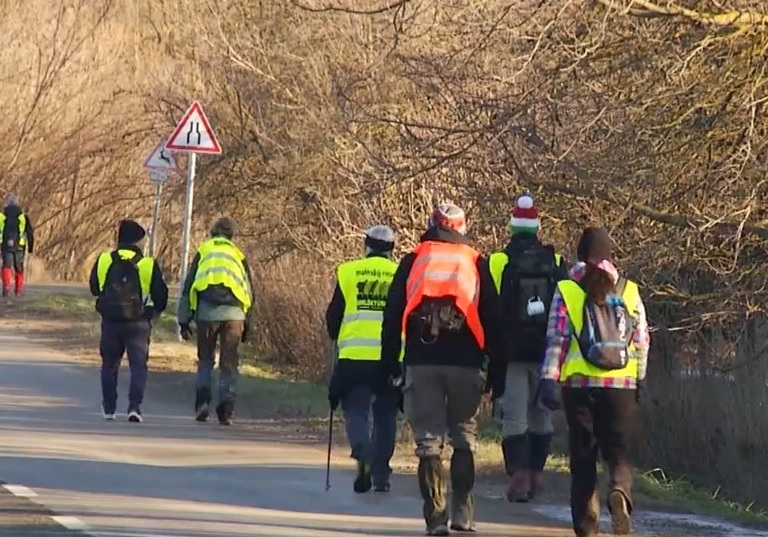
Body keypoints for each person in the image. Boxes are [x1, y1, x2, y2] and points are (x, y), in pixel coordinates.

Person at [381, 203, 506, 536]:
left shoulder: (414, 259)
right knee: (464, 438)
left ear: (431, 224)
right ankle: (463, 514)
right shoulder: (476, 261)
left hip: (422, 363)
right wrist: (497, 372)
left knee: (428, 444)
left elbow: (392, 315)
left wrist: (390, 362)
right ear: (463, 227)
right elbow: (494, 320)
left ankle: (435, 517)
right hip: (466, 364)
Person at [538, 227, 650, 537]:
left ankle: (587, 523)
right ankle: (619, 492)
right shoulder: (629, 290)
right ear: (610, 255)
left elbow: (557, 339)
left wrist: (548, 378)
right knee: (619, 450)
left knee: (583, 455)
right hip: (621, 386)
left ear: (579, 254)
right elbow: (641, 340)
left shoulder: (568, 289)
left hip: (579, 386)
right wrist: (639, 378)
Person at [488, 192, 569, 503]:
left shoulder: (498, 261)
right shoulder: (556, 260)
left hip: (511, 352)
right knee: (541, 415)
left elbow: (491, 310)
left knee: (515, 416)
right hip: (546, 351)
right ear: (537, 228)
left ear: (511, 228)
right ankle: (536, 474)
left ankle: (518, 477)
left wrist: (490, 357)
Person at [325, 224, 401, 493]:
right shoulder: (400, 274)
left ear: (366, 245)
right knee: (386, 413)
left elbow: (334, 315)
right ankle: (381, 474)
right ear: (392, 249)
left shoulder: (349, 271)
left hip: (354, 355)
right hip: (389, 357)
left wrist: (336, 332)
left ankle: (362, 450)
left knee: (355, 409)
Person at [89, 219, 169, 423]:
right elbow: (161, 296)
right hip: (138, 322)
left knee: (109, 365)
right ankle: (134, 407)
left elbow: (95, 288)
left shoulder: (104, 259)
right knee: (138, 366)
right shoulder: (147, 264)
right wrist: (153, 311)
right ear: (139, 241)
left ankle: (109, 408)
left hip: (111, 322)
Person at [177, 217, 255, 426]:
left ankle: (202, 404)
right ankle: (226, 410)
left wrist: (184, 320)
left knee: (205, 360)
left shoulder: (204, 251)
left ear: (212, 233)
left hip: (206, 314)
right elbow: (249, 289)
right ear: (231, 235)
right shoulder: (238, 254)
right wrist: (249, 322)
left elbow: (188, 287)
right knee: (229, 364)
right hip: (234, 316)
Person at [0, 194, 35, 297]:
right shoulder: (23, 216)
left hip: (5, 244)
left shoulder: (1, 216)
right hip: (20, 246)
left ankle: (6, 287)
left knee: (6, 266)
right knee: (19, 268)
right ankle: (18, 290)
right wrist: (30, 248)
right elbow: (29, 233)